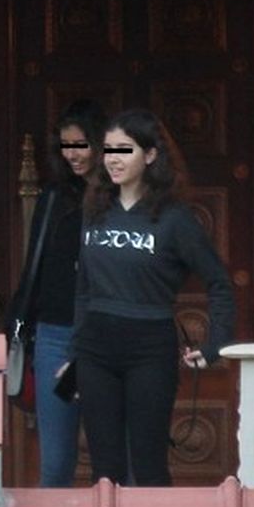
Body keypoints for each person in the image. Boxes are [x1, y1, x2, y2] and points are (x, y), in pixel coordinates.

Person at [68, 108, 234, 487]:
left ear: (151, 155)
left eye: (124, 150)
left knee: (148, 465)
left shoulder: (175, 219)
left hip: (149, 348)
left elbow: (219, 282)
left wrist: (216, 344)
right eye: (108, 150)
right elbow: (84, 290)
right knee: (104, 470)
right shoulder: (95, 210)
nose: (113, 159)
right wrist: (74, 352)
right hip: (95, 349)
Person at [7, 99, 107, 487]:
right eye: (66, 145)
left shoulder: (118, 197)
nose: (72, 154)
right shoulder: (53, 197)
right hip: (55, 337)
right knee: (56, 461)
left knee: (109, 459)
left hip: (104, 339)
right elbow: (36, 263)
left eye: (80, 144)